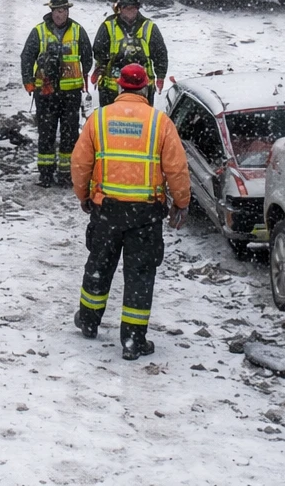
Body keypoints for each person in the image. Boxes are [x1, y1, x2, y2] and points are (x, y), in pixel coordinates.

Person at [70, 63, 191, 360]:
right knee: (140, 276)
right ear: (146, 87)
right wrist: (181, 202)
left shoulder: (99, 119)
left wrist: (83, 195)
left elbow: (80, 163)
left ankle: (89, 321)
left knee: (99, 266)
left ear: (119, 86)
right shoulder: (160, 123)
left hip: (107, 211)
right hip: (145, 216)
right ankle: (134, 340)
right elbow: (176, 168)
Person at [20, 0, 93, 188]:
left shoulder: (78, 31)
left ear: (68, 11)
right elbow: (27, 57)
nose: (60, 14)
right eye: (57, 11)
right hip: (46, 93)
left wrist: (84, 75)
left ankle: (66, 174)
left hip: (71, 94)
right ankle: (46, 174)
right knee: (46, 133)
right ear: (51, 11)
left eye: (63, 10)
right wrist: (28, 81)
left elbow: (87, 57)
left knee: (70, 135)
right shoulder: (38, 32)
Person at [91, 0, 168, 107]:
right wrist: (109, 63)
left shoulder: (149, 27)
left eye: (133, 7)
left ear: (138, 8)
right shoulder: (108, 26)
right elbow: (98, 51)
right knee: (111, 118)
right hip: (112, 88)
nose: (130, 11)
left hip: (143, 88)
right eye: (126, 7)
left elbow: (160, 54)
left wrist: (161, 76)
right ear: (119, 9)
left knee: (142, 117)